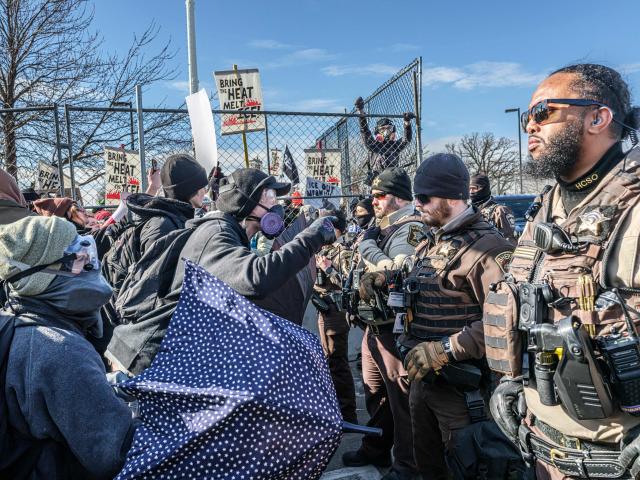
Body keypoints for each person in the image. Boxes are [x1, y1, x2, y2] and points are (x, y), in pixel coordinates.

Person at [485, 63, 640, 480]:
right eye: (525, 118)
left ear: (597, 117)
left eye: (543, 113)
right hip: (544, 447)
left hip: (616, 457)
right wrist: (514, 385)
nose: (529, 127)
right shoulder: (546, 208)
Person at [360, 154, 514, 480]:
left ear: (452, 196)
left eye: (424, 197)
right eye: (416, 196)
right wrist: (384, 283)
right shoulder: (433, 240)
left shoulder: (487, 248)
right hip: (425, 380)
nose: (417, 204)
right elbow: (419, 291)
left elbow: (506, 322)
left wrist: (444, 350)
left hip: (464, 394)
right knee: (427, 468)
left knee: (465, 468)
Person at [106, 168, 337, 375]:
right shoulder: (216, 234)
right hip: (146, 358)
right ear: (245, 203)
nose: (276, 204)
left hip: (170, 354)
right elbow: (257, 278)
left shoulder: (229, 233)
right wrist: (313, 235)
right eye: (269, 197)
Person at [0, 216, 136, 478]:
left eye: (85, 250)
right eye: (74, 257)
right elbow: (115, 453)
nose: (87, 262)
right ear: (40, 276)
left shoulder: (16, 320)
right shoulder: (60, 349)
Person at [342, 167, 421, 480]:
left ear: (399, 197)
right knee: (376, 394)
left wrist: (367, 245)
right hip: (372, 326)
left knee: (402, 402)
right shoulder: (383, 226)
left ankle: (407, 466)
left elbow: (398, 267)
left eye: (380, 196)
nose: (373, 201)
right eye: (373, 195)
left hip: (395, 329)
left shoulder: (409, 226)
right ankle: (375, 448)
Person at [314, 209, 358, 424]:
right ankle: (338, 411)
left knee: (337, 363)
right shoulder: (322, 248)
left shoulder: (342, 251)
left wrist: (328, 269)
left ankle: (347, 415)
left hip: (336, 310)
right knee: (330, 361)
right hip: (323, 308)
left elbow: (350, 284)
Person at [355, 96, 415, 182]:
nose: (386, 131)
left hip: (392, 180)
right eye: (382, 129)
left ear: (393, 130)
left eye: (388, 128)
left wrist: (407, 122)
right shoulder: (375, 145)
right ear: (377, 131)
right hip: (377, 180)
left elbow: (406, 139)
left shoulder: (395, 146)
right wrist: (361, 112)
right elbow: (365, 132)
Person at [469, 173, 517, 243]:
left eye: (474, 188)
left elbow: (509, 241)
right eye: (469, 189)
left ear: (484, 188)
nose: (471, 192)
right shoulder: (470, 210)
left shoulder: (500, 211)